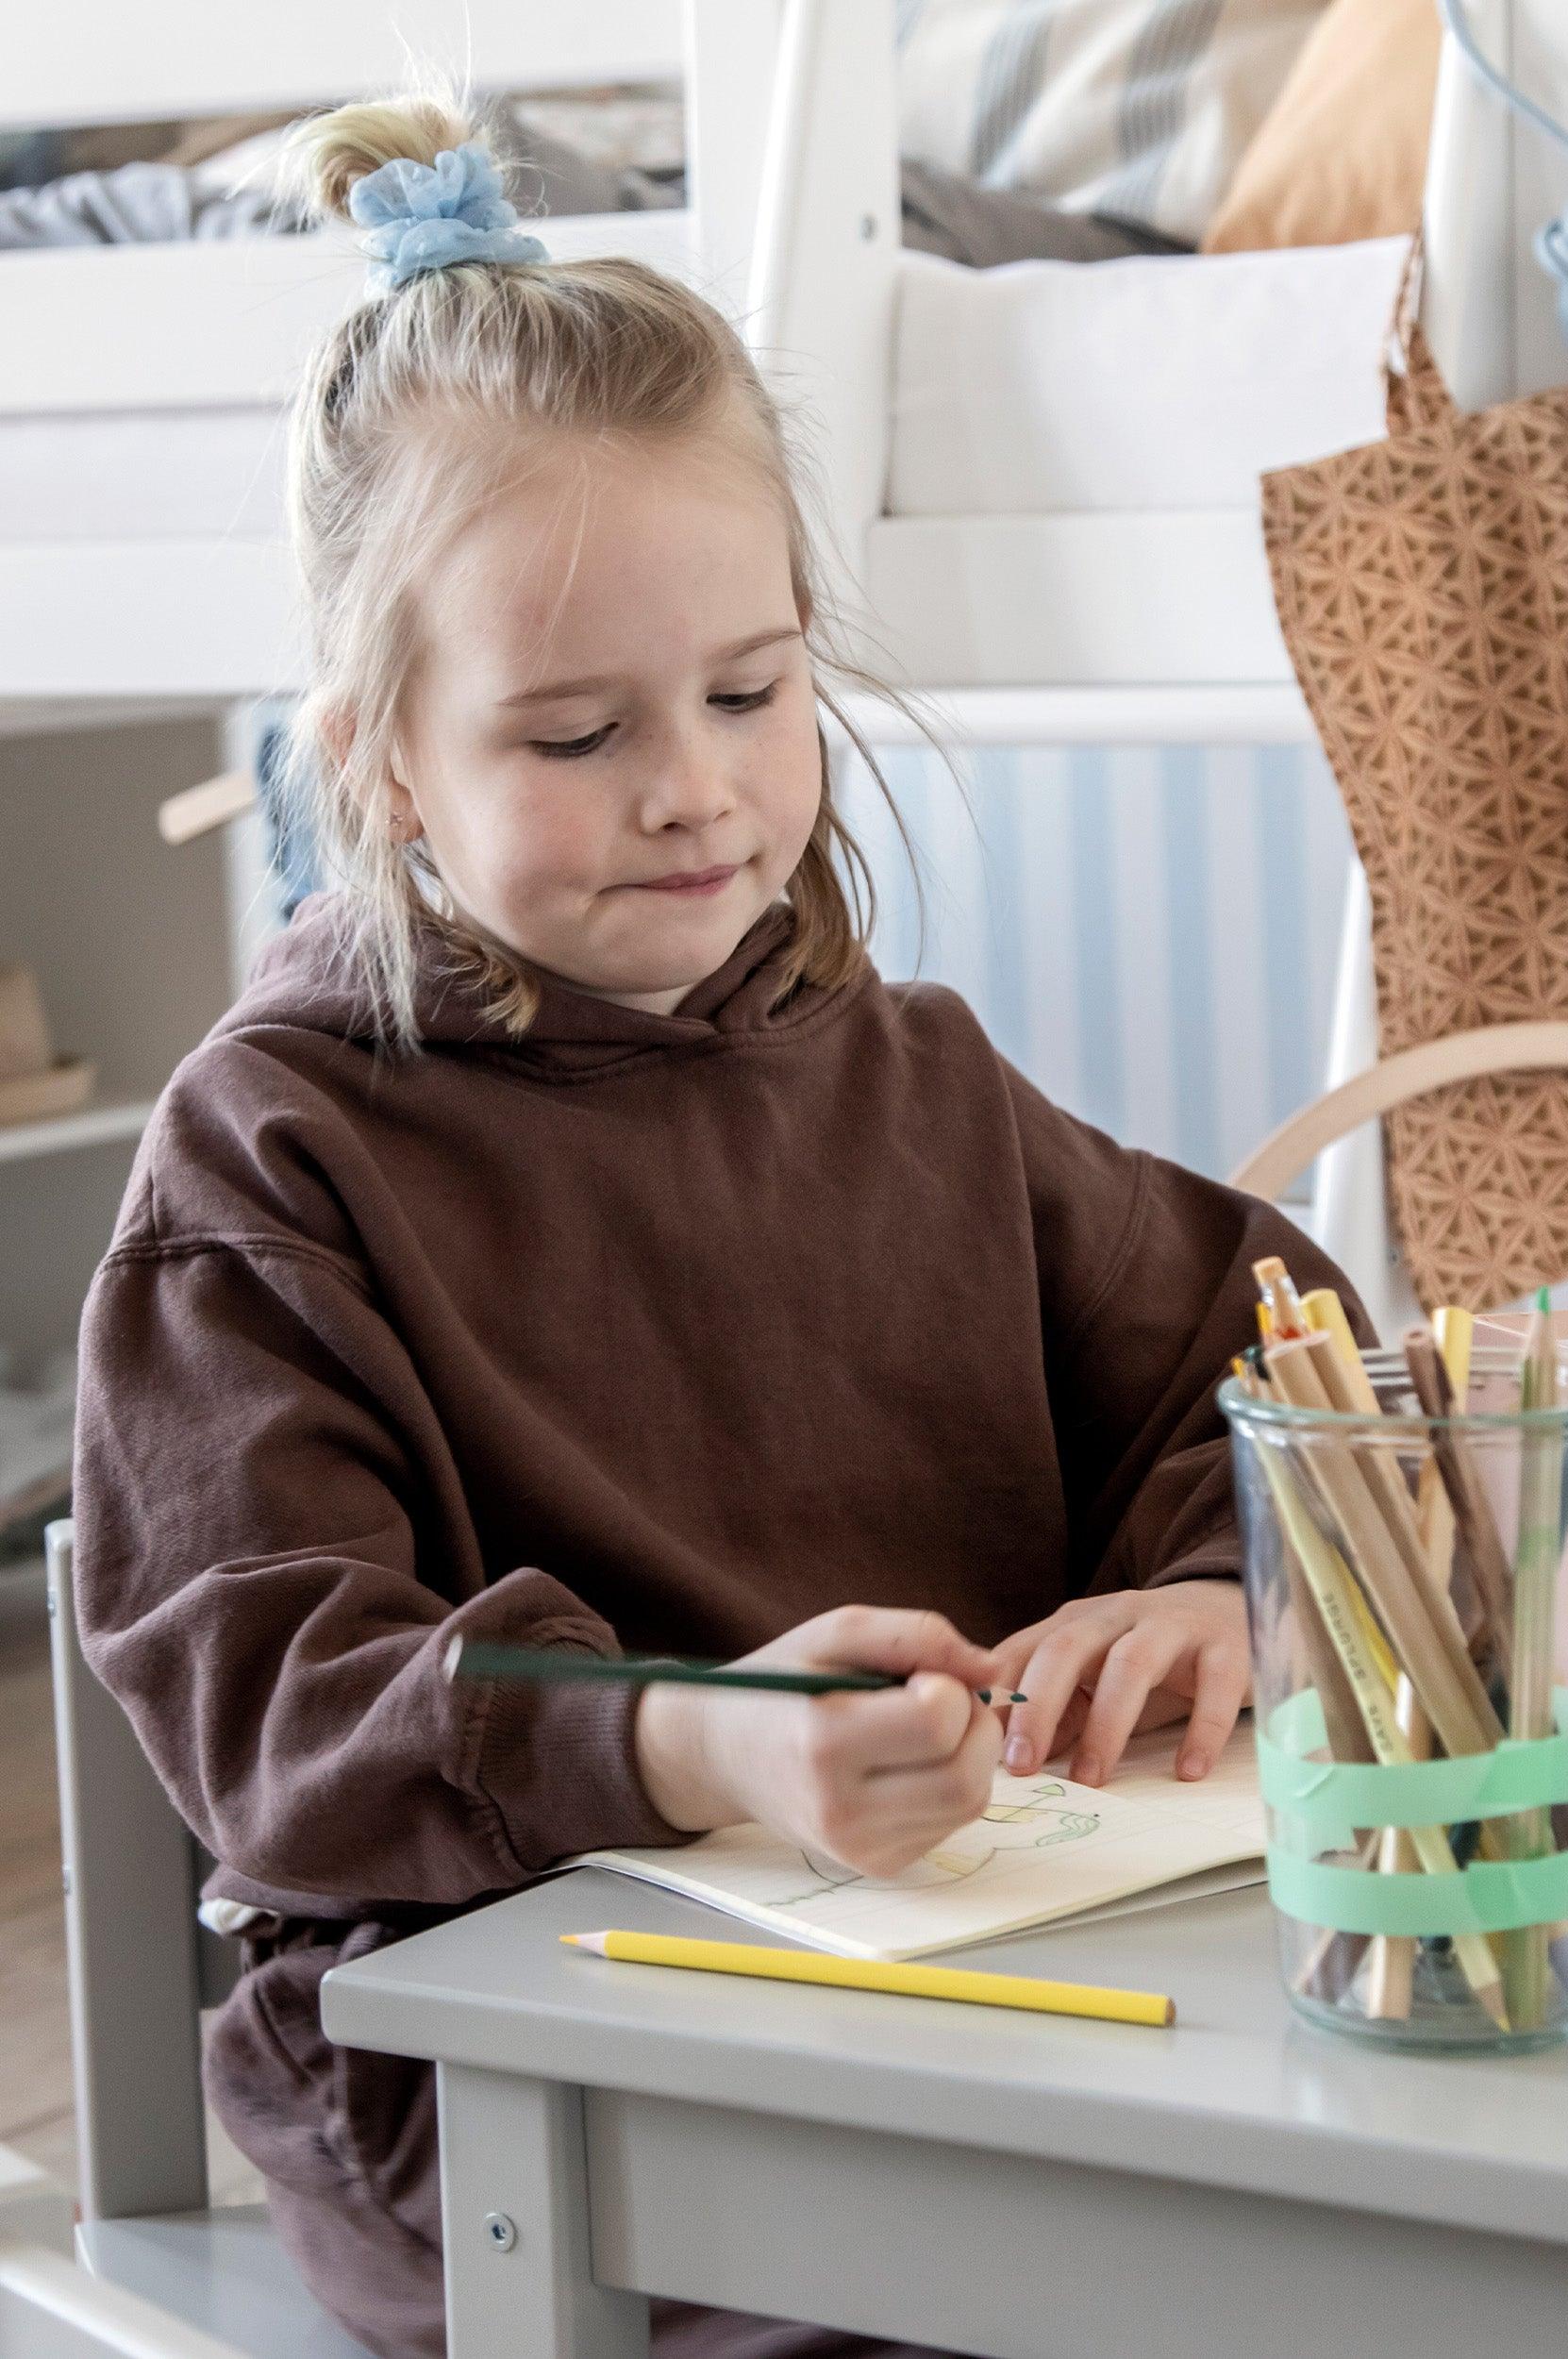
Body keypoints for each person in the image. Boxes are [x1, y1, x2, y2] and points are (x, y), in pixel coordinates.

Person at [70, 96, 1356, 2359]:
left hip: (951, 1969)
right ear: (381, 759)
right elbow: (282, 1700)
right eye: (577, 731)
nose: (694, 784)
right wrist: (696, 1739)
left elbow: (1273, 1344)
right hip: (487, 2049)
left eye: (752, 693)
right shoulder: (271, 1160)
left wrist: (1195, 1581)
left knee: (1377, 2171)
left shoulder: (912, 1073)